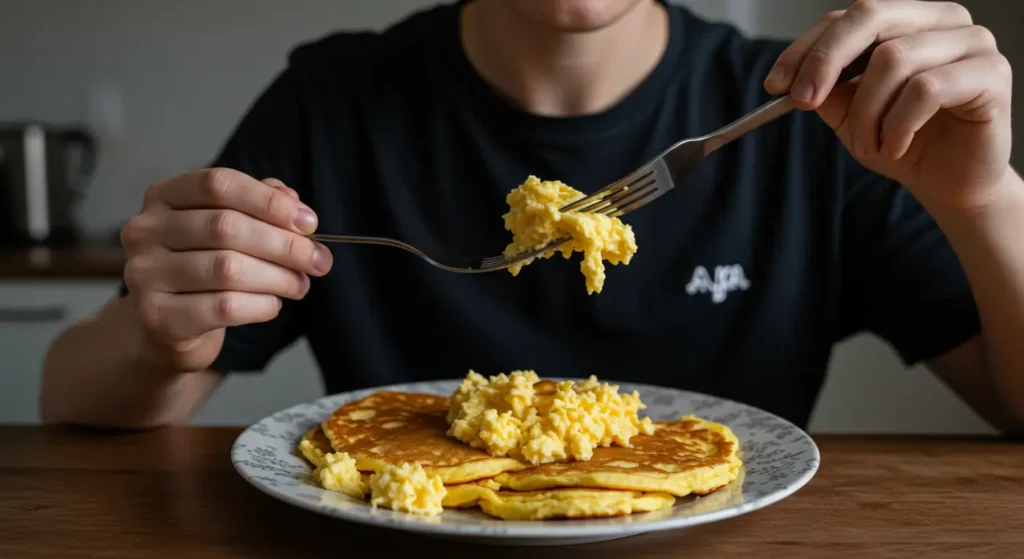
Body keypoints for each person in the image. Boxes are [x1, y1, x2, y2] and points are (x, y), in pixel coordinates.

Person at [40, 0, 1022, 433]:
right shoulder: (332, 103)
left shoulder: (805, 115)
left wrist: (983, 198)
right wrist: (159, 341)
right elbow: (66, 392)